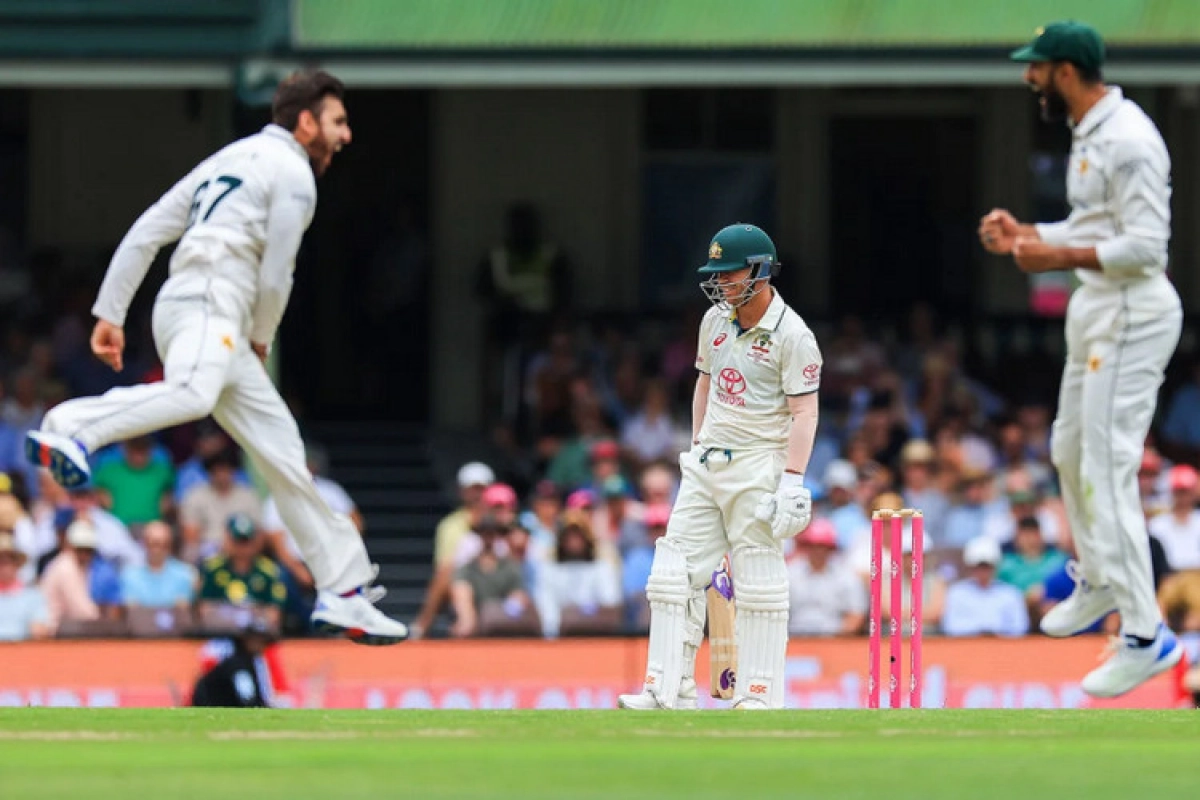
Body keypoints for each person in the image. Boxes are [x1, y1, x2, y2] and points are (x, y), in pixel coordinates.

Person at [21, 70, 405, 644]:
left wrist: (112, 311)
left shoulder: (231, 158)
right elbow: (277, 271)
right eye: (338, 122)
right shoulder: (294, 173)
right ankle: (68, 426)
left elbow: (149, 228)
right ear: (306, 122)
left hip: (195, 306)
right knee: (194, 394)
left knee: (283, 454)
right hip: (213, 303)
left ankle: (344, 590)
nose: (345, 136)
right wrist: (261, 333)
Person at [979, 21, 1183, 696]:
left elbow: (1147, 246)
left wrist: (1054, 256)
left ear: (1065, 70)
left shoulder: (1129, 139)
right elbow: (1099, 229)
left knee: (1106, 467)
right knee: (1069, 452)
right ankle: (1099, 579)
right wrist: (1028, 234)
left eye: (1035, 68)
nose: (1027, 78)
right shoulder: (1091, 132)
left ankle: (1145, 635)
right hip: (1097, 306)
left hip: (1131, 310)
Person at [619, 223, 822, 711]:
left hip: (758, 464)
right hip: (708, 459)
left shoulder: (794, 335)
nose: (722, 284)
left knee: (757, 577)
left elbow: (805, 412)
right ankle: (666, 689)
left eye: (730, 274)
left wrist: (793, 480)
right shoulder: (714, 320)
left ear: (760, 270)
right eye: (718, 275)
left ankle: (757, 692)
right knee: (672, 573)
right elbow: (704, 386)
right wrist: (696, 446)